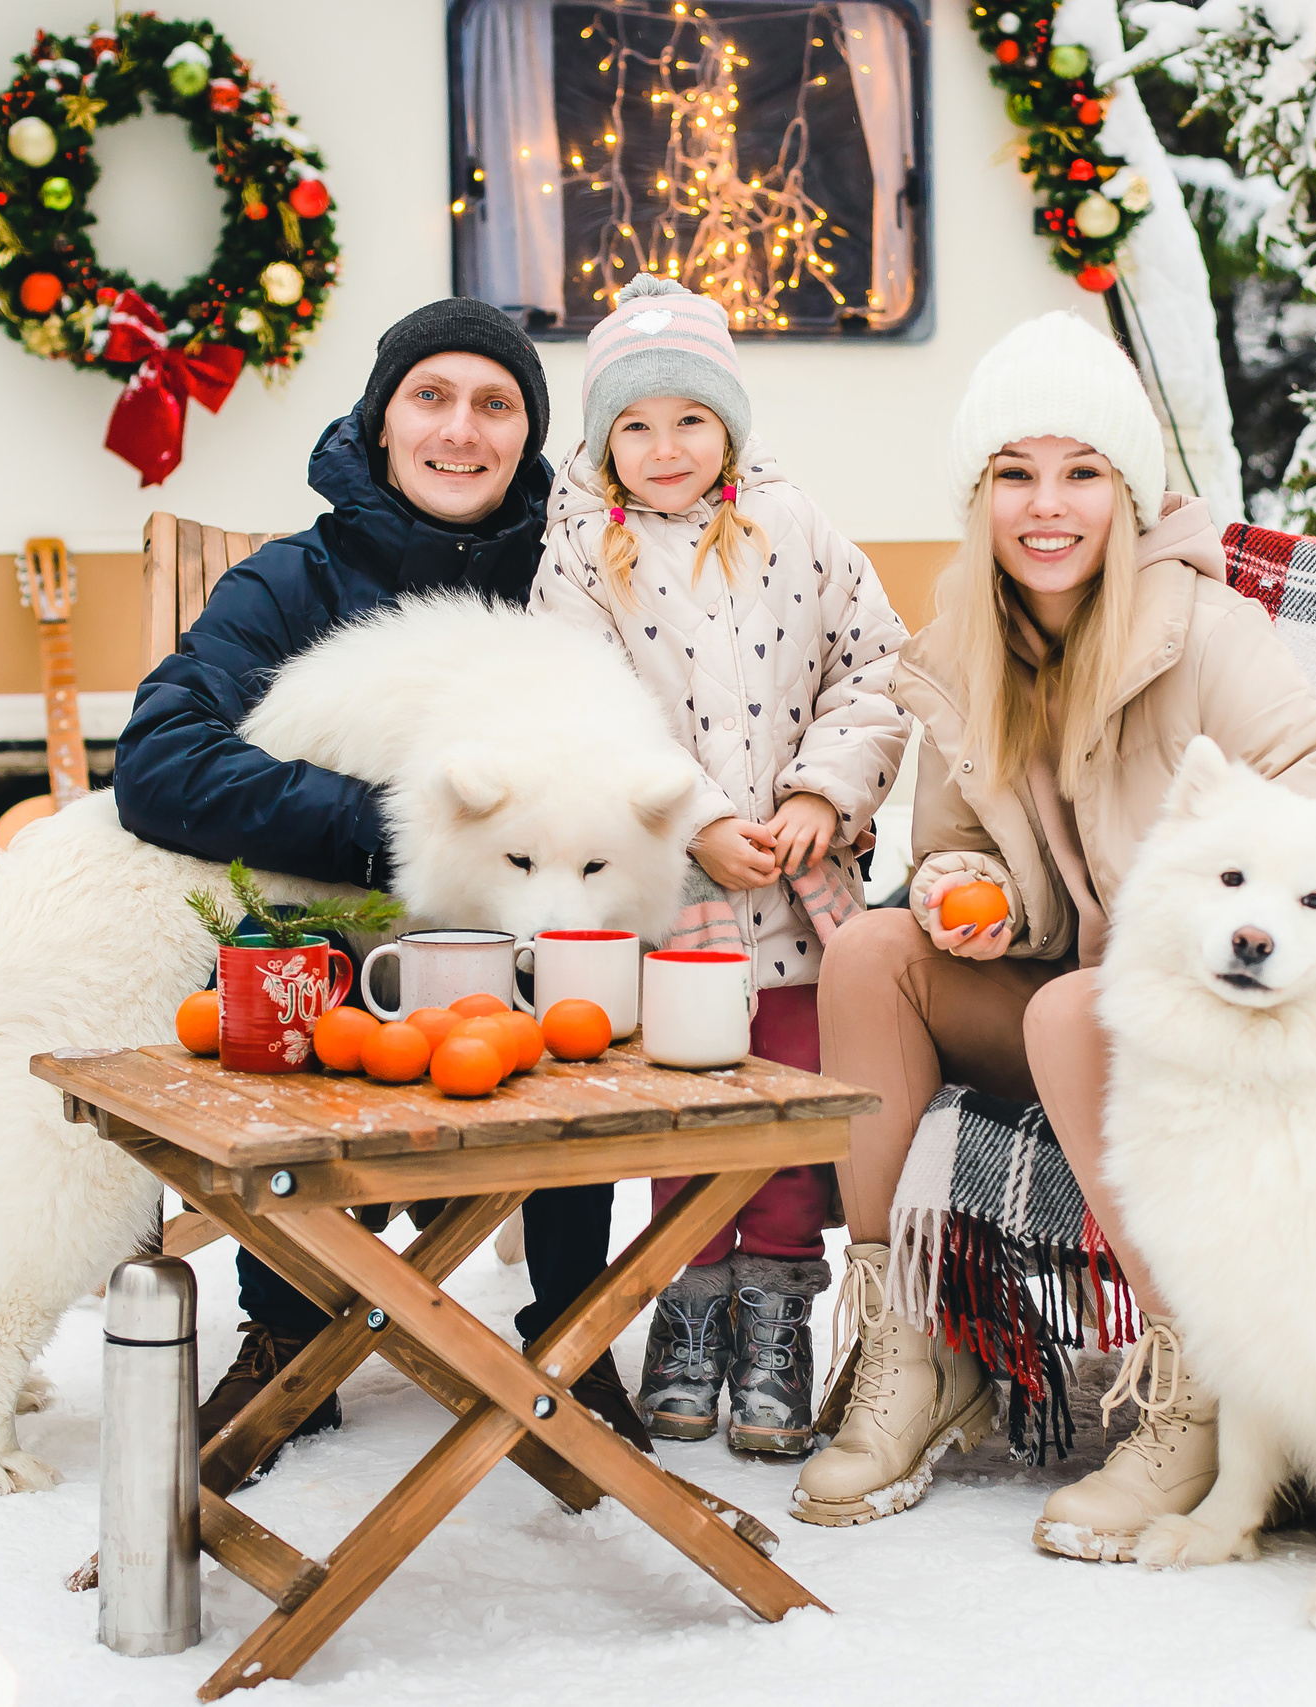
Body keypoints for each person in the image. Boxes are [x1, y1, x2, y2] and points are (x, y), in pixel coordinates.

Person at [793, 312, 1316, 1553]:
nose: (1045, 507)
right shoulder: (959, 651)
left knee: (1076, 1004)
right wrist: (967, 892)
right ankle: (912, 1346)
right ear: (978, 497)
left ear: (1128, 491)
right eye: (1014, 474)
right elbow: (949, 847)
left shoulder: (1207, 635)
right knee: (871, 954)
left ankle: (1195, 1387)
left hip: (1207, 1019)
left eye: (1081, 473)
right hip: (1065, 999)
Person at [111, 297, 653, 1457]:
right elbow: (159, 764)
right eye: (431, 397)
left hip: (521, 974)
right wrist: (387, 833)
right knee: (284, 955)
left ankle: (570, 1331)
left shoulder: (568, 582)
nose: (461, 429)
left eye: (495, 405)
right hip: (335, 955)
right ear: (380, 419)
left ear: (528, 437)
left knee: (585, 959)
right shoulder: (287, 586)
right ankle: (289, 1325)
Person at [531, 275, 910, 1456]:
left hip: (798, 892)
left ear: (730, 425)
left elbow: (874, 670)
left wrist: (819, 793)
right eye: (635, 425)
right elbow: (580, 712)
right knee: (690, 1113)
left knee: (786, 1112)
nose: (665, 448)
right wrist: (691, 819)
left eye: (690, 419)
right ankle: (689, 1304)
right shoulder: (578, 555)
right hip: (673, 898)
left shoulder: (799, 531)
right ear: (603, 441)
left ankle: (777, 1312)